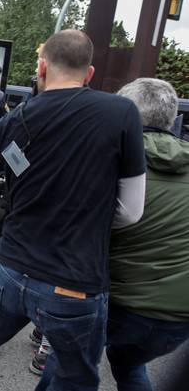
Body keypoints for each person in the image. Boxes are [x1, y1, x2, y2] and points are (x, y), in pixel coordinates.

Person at [0, 29, 146, 391]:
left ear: (42, 67)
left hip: (10, 271)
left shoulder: (15, 120)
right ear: (88, 74)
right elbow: (130, 211)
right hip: (74, 283)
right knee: (74, 378)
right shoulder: (121, 114)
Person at [105, 78, 189, 390]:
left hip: (123, 305)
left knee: (69, 362)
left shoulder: (113, 160)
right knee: (127, 363)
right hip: (180, 320)